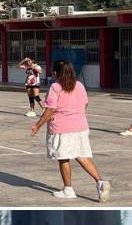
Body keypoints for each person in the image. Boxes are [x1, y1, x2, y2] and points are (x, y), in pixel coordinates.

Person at [31, 60, 110, 202]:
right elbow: (85, 103)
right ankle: (100, 182)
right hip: (80, 126)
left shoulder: (55, 87)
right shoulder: (79, 85)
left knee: (63, 157)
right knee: (81, 156)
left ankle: (68, 189)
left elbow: (50, 110)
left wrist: (38, 125)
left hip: (62, 128)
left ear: (56, 73)